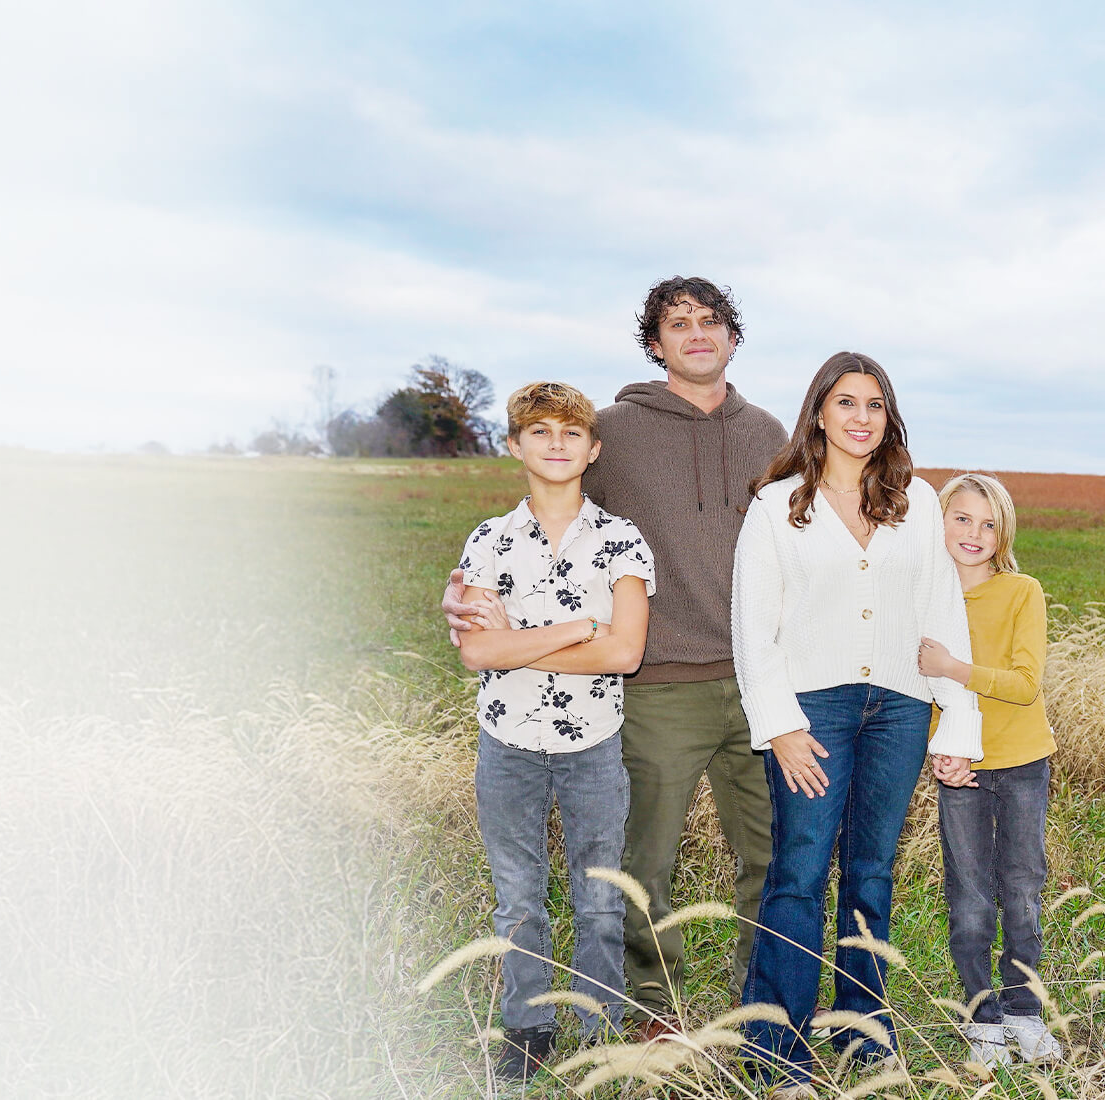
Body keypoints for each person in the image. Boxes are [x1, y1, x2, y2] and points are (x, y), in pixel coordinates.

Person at [445, 277, 786, 1033]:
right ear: (655, 343)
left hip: (761, 679)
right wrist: (460, 591)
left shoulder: (767, 433)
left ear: (732, 337)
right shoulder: (615, 430)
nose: (697, 333)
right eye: (678, 323)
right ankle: (651, 1007)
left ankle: (763, 1001)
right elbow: (545, 507)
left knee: (771, 856)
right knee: (645, 863)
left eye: (711, 321)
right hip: (659, 682)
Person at [731, 352, 982, 1091]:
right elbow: (754, 627)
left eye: (875, 404)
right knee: (801, 870)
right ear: (819, 412)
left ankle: (863, 1031)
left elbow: (943, 613)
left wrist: (957, 723)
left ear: (888, 416)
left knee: (872, 872)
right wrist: (779, 725)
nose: (861, 417)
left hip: (900, 707)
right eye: (846, 402)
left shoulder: (917, 501)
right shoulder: (777, 506)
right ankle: (775, 1047)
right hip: (814, 711)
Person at [449, 381, 654, 1080]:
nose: (556, 443)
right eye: (539, 431)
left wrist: (517, 642)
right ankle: (528, 1027)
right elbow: (477, 651)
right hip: (506, 741)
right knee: (518, 894)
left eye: (571, 432)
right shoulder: (489, 540)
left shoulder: (621, 540)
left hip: (593, 741)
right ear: (515, 445)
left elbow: (624, 653)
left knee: (599, 894)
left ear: (593, 449)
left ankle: (599, 1027)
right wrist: (579, 627)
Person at [917, 473, 1062, 1066]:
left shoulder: (1022, 592)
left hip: (1023, 763)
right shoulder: (925, 600)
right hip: (962, 771)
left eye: (989, 523)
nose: (974, 532)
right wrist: (941, 750)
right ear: (939, 522)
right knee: (970, 895)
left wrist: (955, 667)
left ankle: (1024, 1009)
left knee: (1022, 887)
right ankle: (983, 1018)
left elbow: (1025, 685)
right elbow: (918, 691)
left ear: (1004, 534)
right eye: (961, 518)